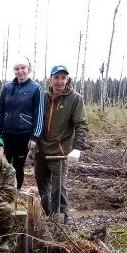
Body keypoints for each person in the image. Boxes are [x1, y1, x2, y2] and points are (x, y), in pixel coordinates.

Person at [35, 65, 88, 223]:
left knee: (59, 189)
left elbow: (81, 124)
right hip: (40, 151)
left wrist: (77, 148)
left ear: (67, 79)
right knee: (42, 186)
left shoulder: (75, 99)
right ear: (50, 79)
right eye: (56, 77)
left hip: (60, 152)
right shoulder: (42, 96)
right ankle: (48, 215)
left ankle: (62, 219)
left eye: (63, 77)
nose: (59, 81)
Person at [0, 56, 44, 190]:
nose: (20, 71)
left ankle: (15, 192)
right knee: (0, 163)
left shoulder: (36, 88)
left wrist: (34, 137)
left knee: (18, 165)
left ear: (29, 69)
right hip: (6, 134)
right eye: (17, 68)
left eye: (23, 68)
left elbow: (39, 114)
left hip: (24, 134)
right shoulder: (7, 87)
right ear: (14, 71)